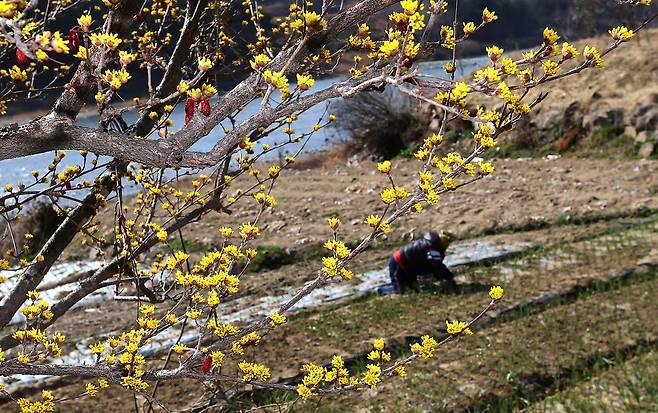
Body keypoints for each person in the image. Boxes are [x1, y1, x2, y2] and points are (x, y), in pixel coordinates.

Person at [388, 231, 457, 293]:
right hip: (398, 263)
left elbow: (434, 268)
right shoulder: (432, 249)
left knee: (413, 290)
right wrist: (450, 279)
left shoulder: (429, 244)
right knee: (400, 290)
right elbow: (438, 266)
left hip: (408, 265)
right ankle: (380, 290)